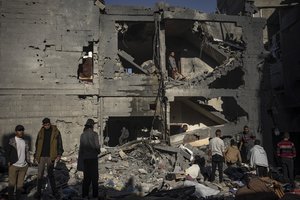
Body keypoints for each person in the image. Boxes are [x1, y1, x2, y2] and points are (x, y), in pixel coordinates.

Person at [34, 118, 64, 199]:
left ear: (50, 124)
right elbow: (37, 144)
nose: (46, 126)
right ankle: (39, 192)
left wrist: (59, 154)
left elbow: (60, 143)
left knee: (50, 175)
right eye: (45, 125)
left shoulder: (56, 131)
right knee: (40, 175)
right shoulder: (41, 132)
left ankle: (54, 192)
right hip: (41, 156)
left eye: (48, 124)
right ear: (43, 125)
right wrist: (36, 155)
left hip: (51, 156)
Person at [77, 119, 100, 198]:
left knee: (86, 178)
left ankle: (85, 196)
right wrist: (98, 151)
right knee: (94, 179)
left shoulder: (82, 135)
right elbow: (97, 147)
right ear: (92, 126)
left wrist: (80, 163)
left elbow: (81, 149)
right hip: (93, 159)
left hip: (86, 160)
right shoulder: (95, 134)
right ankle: (95, 196)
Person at [6, 125, 30, 200]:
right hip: (14, 165)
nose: (21, 132)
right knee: (12, 185)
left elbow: (27, 152)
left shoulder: (25, 141)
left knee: (20, 186)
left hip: (23, 166)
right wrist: (8, 161)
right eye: (19, 130)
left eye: (22, 130)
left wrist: (28, 162)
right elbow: (7, 152)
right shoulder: (11, 141)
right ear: (16, 131)